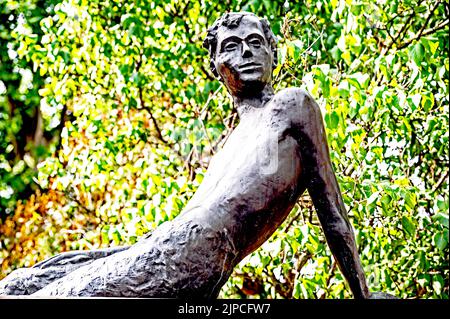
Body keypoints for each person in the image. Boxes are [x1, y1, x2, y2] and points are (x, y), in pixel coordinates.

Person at [0, 12, 392, 298]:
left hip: (199, 249)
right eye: (232, 48)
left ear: (274, 52)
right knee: (19, 283)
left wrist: (364, 293)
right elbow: (183, 221)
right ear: (215, 66)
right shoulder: (229, 146)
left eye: (256, 43)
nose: (247, 54)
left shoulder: (293, 106)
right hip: (168, 245)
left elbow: (332, 208)